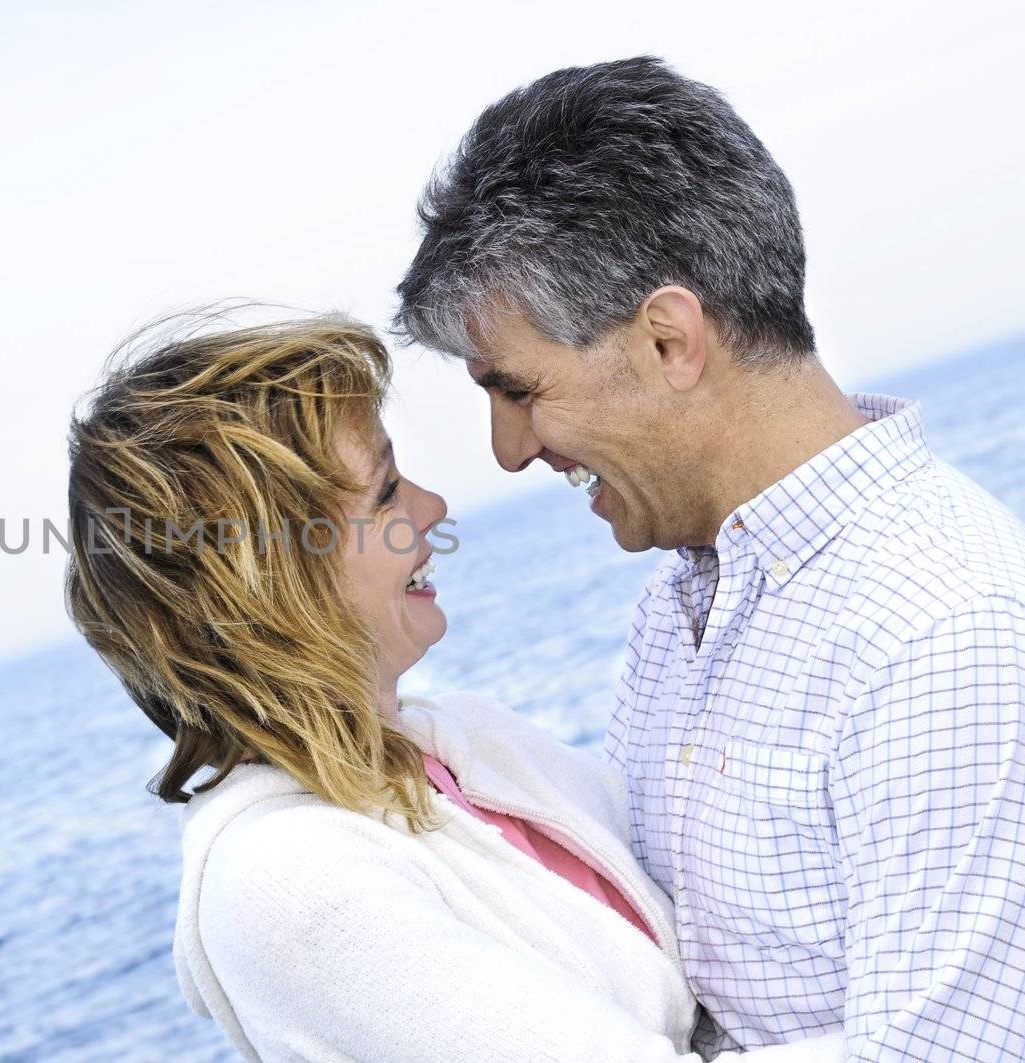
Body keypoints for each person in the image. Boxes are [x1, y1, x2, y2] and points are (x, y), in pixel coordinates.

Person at [393, 55, 1025, 1059]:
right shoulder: (684, 597)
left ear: (667, 340)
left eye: (516, 390)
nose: (508, 451)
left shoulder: (940, 636)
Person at [64, 315, 840, 1061]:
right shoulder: (286, 885)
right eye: (387, 492)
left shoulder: (468, 740)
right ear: (271, 584)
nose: (433, 510)